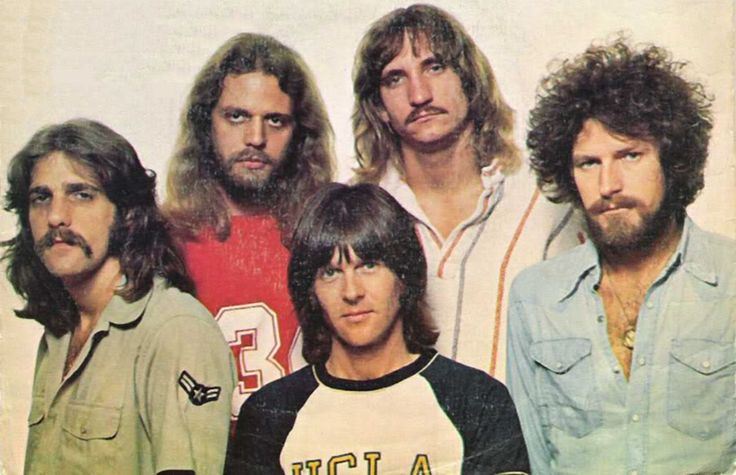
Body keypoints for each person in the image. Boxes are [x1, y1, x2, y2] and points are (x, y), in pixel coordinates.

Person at [507, 37, 736, 474]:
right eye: (588, 163)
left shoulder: (731, 280)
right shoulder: (534, 297)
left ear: (672, 160)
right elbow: (533, 457)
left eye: (629, 155)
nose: (608, 184)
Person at [225, 183, 530, 474]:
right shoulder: (270, 414)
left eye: (368, 266)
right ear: (311, 291)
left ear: (404, 275)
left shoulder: (476, 400)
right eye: (331, 272)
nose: (352, 291)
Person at [352, 4, 581, 380]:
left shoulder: (549, 201)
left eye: (435, 66)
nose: (419, 94)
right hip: (406, 437)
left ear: (468, 80)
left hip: (517, 436)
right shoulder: (358, 212)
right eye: (395, 78)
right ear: (378, 108)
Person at [2, 119, 235, 474]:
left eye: (82, 194)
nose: (56, 217)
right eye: (41, 197)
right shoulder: (60, 333)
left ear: (126, 214)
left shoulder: (175, 329)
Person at [164, 33, 335, 418]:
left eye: (275, 121)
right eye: (237, 116)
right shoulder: (167, 239)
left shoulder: (322, 232)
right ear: (206, 123)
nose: (256, 139)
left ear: (299, 133)